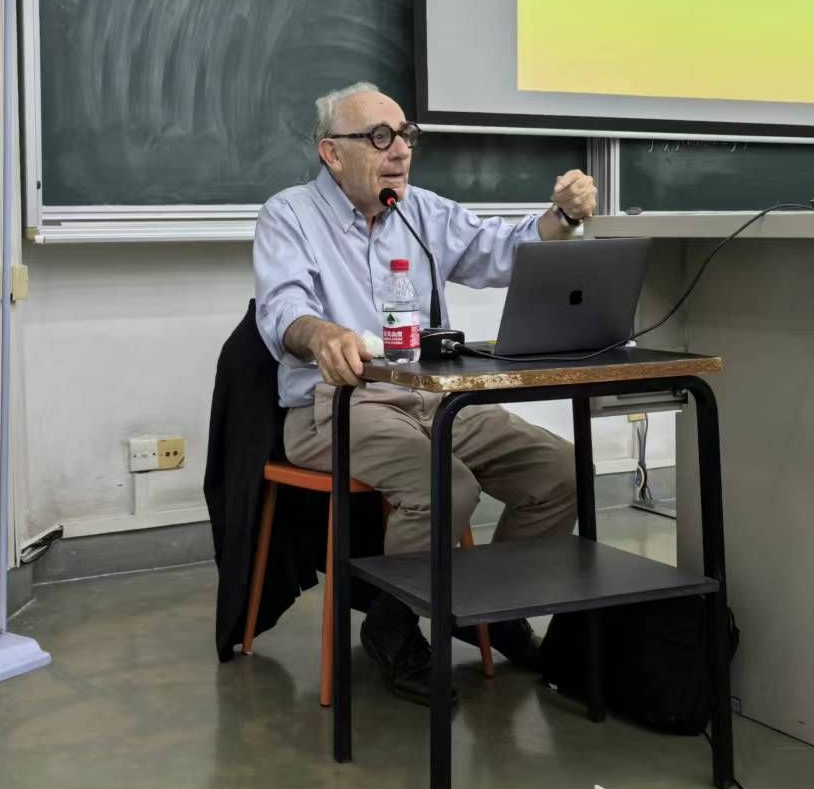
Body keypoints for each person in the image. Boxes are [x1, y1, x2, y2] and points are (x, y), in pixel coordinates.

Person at [253, 82, 598, 706]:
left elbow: (501, 251)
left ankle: (495, 610)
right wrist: (321, 333)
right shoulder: (290, 215)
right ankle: (392, 624)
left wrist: (563, 217)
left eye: (406, 136)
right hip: (337, 406)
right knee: (447, 484)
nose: (400, 151)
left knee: (560, 473)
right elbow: (282, 308)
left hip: (431, 399)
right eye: (380, 137)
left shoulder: (421, 211)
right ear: (332, 153)